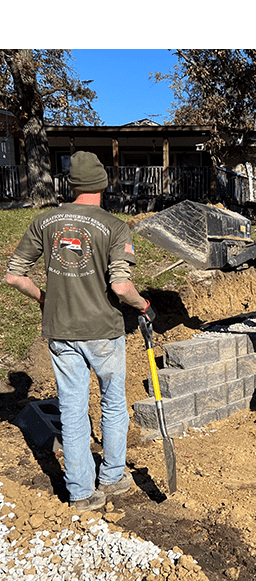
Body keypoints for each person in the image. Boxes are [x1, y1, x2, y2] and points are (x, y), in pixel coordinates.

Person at [5, 151, 156, 511]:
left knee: (72, 409)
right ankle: (112, 476)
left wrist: (45, 299)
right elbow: (121, 287)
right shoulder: (115, 227)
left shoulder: (44, 222)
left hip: (61, 331)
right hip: (103, 330)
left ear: (73, 185)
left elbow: (13, 275)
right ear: (103, 184)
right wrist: (144, 305)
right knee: (113, 402)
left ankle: (82, 492)